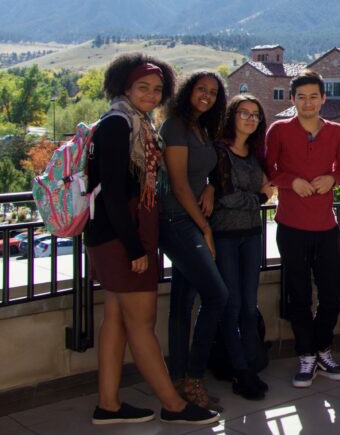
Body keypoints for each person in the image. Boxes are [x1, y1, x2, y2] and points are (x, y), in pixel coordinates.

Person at [85, 54, 218, 425]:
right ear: (125, 87)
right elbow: (113, 194)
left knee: (115, 318)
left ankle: (108, 404)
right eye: (142, 87)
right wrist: (135, 249)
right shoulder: (119, 125)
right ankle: (174, 406)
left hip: (110, 236)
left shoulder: (133, 123)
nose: (150, 94)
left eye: (157, 89)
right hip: (122, 239)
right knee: (141, 324)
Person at [265, 70, 340, 388]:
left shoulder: (338, 132)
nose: (307, 102)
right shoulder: (278, 130)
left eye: (314, 96)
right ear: (292, 100)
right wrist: (291, 182)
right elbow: (269, 168)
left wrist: (332, 178)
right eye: (301, 97)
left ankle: (322, 349)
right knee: (298, 295)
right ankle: (306, 354)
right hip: (291, 225)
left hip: (326, 226)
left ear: (323, 98)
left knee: (331, 294)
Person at [158, 71, 228, 410]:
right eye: (201, 89)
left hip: (191, 219)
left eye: (213, 92)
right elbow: (178, 184)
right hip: (177, 221)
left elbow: (200, 173)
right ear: (188, 91)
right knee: (217, 295)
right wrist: (205, 228)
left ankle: (178, 379)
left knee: (183, 303)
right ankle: (194, 378)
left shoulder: (201, 128)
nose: (207, 96)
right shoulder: (175, 126)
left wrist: (211, 187)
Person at [208, 94, 273, 400]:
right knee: (232, 304)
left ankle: (250, 363)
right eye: (244, 113)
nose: (250, 119)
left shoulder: (255, 153)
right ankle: (238, 369)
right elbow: (226, 197)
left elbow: (267, 185)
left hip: (252, 234)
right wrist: (259, 198)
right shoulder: (220, 151)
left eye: (255, 115)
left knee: (249, 304)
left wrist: (259, 195)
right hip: (225, 236)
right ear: (232, 116)